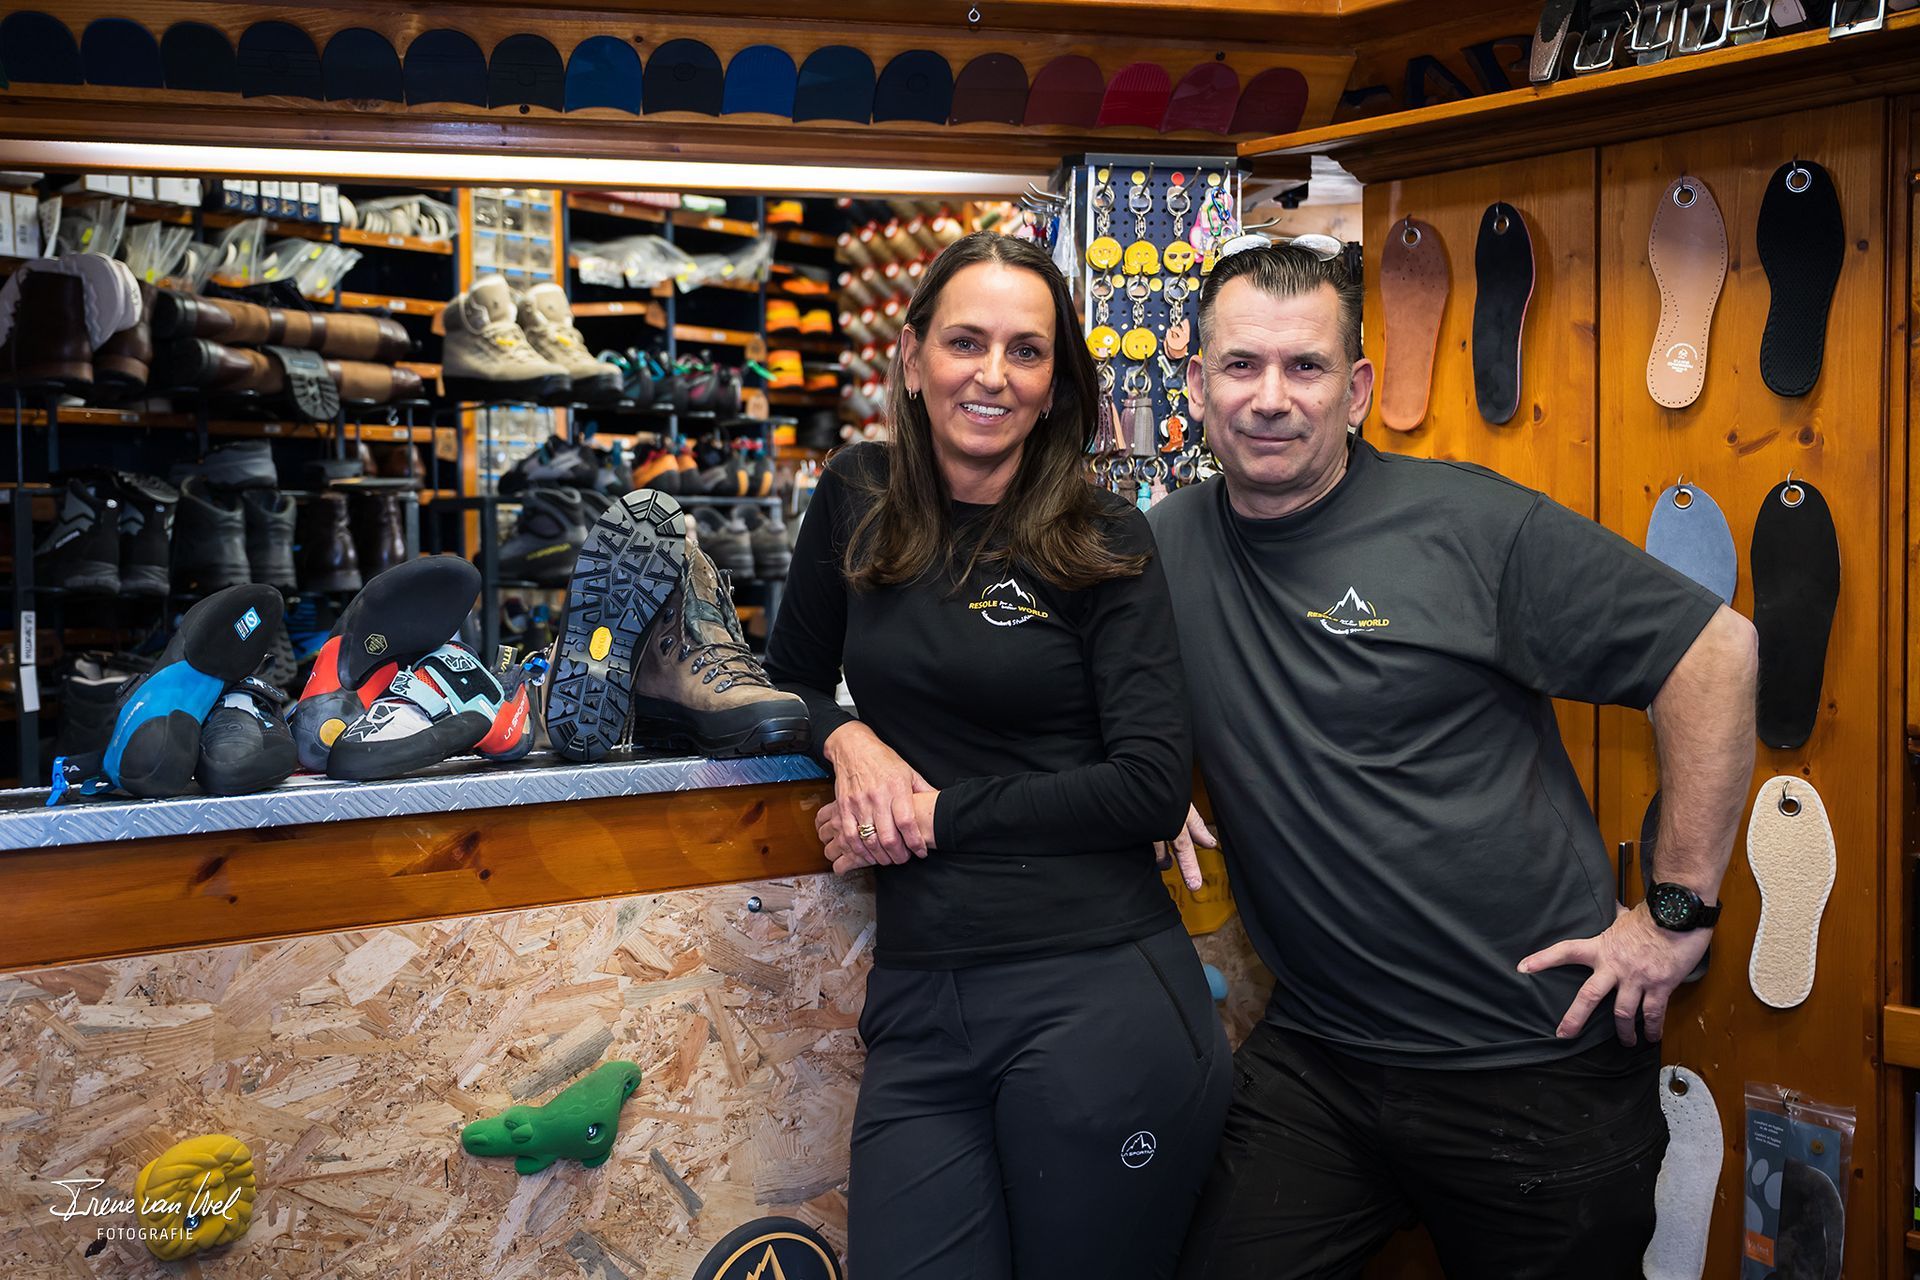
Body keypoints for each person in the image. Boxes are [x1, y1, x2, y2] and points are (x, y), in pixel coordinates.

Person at [1150, 242, 1758, 1279]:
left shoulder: (1469, 524)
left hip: (1532, 1058)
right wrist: (1145, 769)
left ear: (1358, 391)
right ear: (1198, 385)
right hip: (1325, 1056)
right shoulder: (1166, 545)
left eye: (1305, 367)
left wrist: (1675, 916)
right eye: (1241, 365)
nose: (1270, 398)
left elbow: (1715, 653)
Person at [763, 231, 1231, 1279]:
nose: (993, 374)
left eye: (1027, 350)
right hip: (923, 995)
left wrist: (934, 815)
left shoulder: (1104, 534)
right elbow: (783, 681)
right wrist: (847, 737)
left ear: (1056, 383)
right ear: (911, 355)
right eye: (966, 341)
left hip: (1094, 990)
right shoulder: (857, 492)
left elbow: (1149, 784)